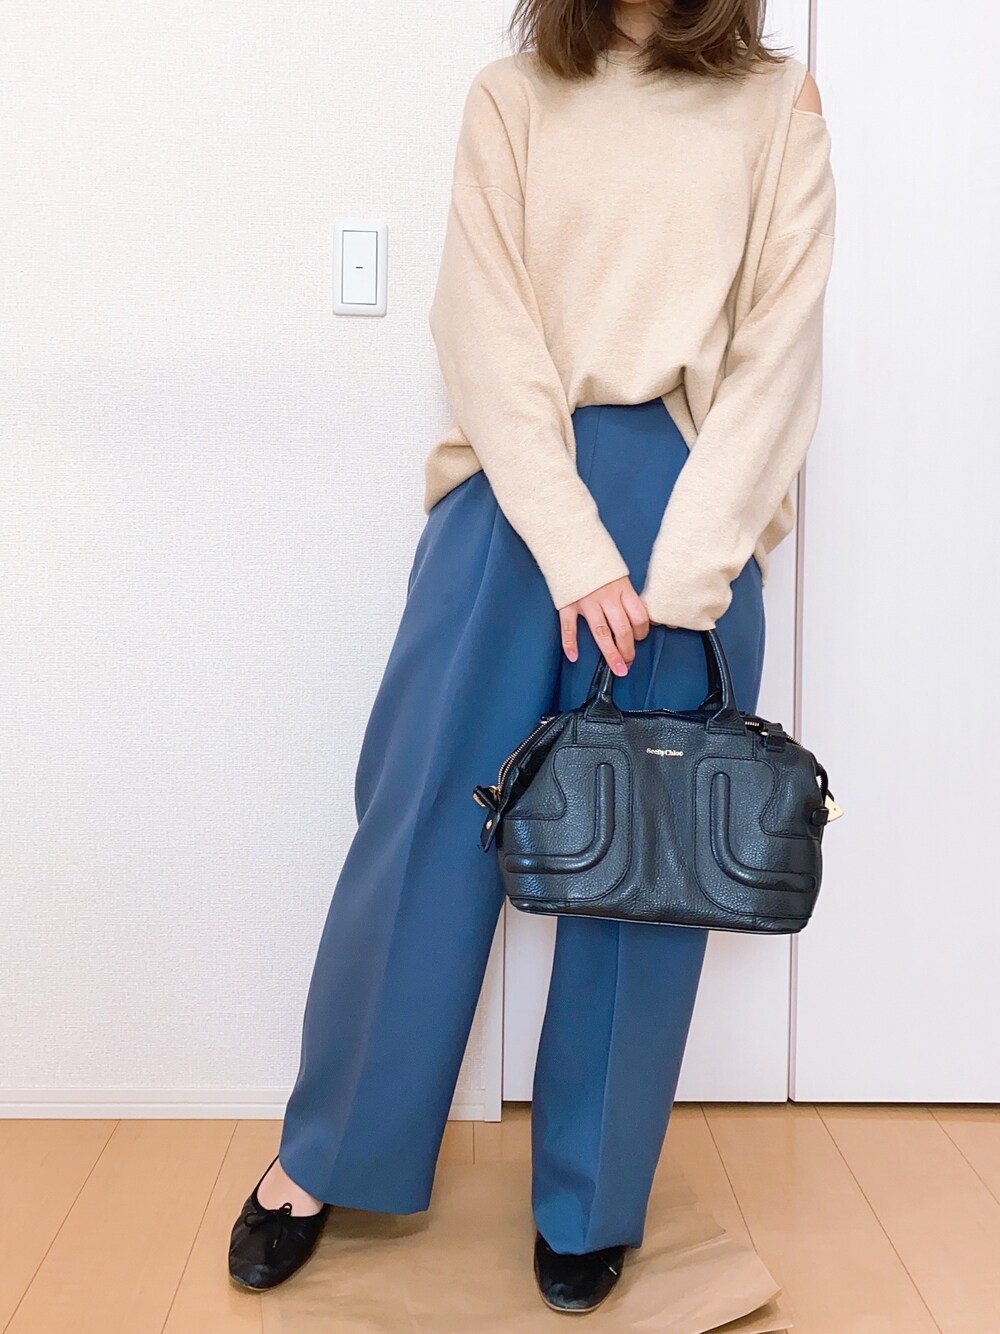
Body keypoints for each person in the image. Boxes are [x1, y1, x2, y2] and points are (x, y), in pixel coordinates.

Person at [227, 0, 835, 1315]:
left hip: (689, 515)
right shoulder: (510, 99)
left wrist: (685, 573)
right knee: (422, 823)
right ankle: (328, 1151)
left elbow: (781, 350)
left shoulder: (775, 105)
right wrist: (573, 545)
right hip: (515, 501)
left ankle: (588, 1199)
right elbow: (482, 325)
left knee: (645, 863)